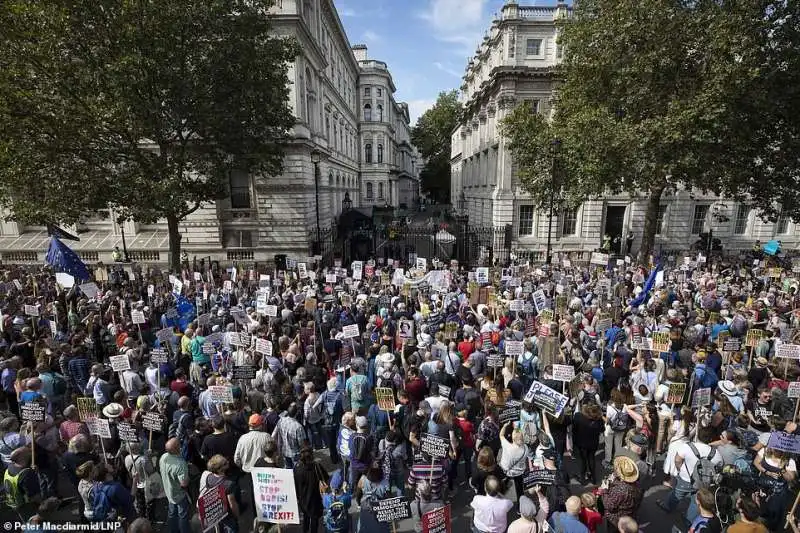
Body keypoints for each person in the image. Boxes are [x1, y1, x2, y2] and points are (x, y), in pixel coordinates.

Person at [657, 427, 722, 523]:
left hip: (686, 478)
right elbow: (719, 467)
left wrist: (680, 470)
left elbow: (677, 460)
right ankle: (689, 519)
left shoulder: (687, 447)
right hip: (704, 482)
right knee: (696, 501)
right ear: (711, 439)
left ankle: (667, 507)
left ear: (698, 435)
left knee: (677, 494)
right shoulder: (716, 454)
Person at [199, 455, 240, 533]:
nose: (228, 463)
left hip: (217, 514)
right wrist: (236, 516)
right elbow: (232, 504)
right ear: (220, 469)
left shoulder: (209, 477)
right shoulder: (228, 484)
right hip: (228, 517)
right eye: (225, 463)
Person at [602, 456, 643, 532]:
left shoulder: (621, 490)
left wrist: (604, 489)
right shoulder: (637, 484)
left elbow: (608, 505)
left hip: (616, 520)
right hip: (630, 515)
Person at [159, 437, 191, 533]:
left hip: (169, 492)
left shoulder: (164, 456)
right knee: (183, 516)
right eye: (179, 444)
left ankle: (173, 530)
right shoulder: (181, 464)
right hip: (179, 494)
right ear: (178, 448)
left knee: (172, 514)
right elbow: (184, 483)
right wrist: (188, 477)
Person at [294, 445, 328, 533]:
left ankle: (305, 530)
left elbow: (295, 483)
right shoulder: (317, 466)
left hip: (302, 499)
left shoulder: (297, 468)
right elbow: (325, 477)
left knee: (305, 516)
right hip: (315, 499)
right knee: (314, 519)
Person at [3, 447, 41, 520]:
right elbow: (35, 497)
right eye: (29, 452)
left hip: (15, 503)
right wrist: (44, 504)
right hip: (28, 506)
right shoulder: (27, 474)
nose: (32, 453)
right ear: (23, 457)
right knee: (35, 524)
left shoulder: (10, 467)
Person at [571, 403, 605, 485]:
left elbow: (574, 429)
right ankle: (593, 479)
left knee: (583, 460)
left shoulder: (578, 416)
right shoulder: (599, 419)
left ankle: (582, 479)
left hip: (581, 443)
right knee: (591, 459)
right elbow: (602, 429)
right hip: (593, 442)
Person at [498, 421, 528, 499]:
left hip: (507, 471)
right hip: (519, 472)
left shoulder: (507, 447)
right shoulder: (526, 448)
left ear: (513, 438)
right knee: (520, 491)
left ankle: (499, 498)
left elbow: (501, 435)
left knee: (502, 487)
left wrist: (504, 426)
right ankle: (520, 507)